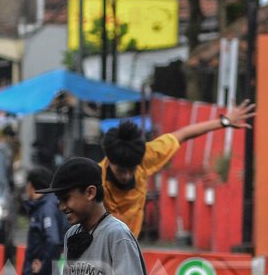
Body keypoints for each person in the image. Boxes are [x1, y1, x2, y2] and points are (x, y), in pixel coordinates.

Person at [100, 100, 256, 237]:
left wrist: (225, 122)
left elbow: (182, 135)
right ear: (110, 162)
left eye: (131, 169)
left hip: (130, 244)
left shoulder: (146, 155)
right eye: (121, 171)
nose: (127, 176)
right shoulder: (95, 182)